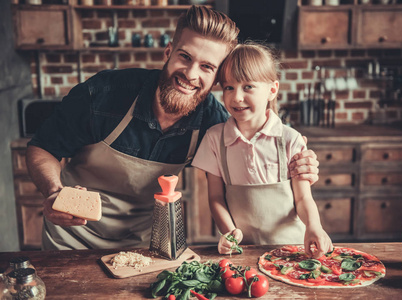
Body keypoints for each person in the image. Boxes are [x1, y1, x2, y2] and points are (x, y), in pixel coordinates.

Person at [26, 6, 319, 250]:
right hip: (70, 242)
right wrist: (53, 192)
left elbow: (255, 150)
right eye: (185, 57)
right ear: (169, 51)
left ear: (216, 77)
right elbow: (43, 147)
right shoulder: (104, 93)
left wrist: (300, 161)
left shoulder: (214, 125)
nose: (191, 74)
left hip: (141, 245)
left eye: (206, 67)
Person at [191, 42, 332, 258]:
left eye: (248, 87)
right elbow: (216, 198)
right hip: (243, 252)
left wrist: (314, 226)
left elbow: (303, 199)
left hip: (292, 249)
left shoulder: (290, 139)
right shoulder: (214, 139)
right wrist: (229, 233)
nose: (236, 97)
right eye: (229, 87)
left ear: (272, 90)